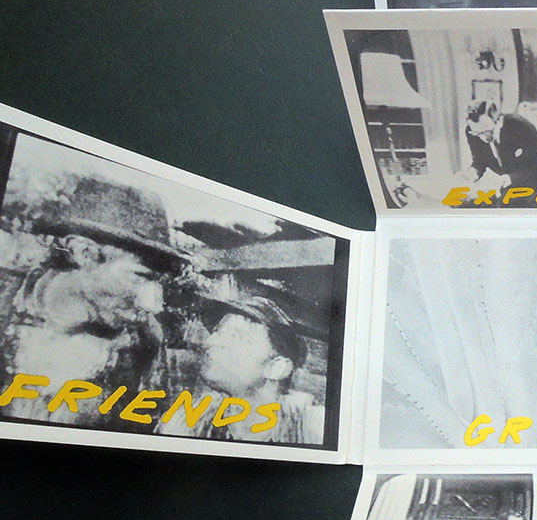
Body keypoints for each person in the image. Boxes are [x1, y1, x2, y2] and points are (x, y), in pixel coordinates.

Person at [0, 176, 186, 427]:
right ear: (83, 253)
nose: (152, 304)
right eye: (140, 277)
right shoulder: (5, 303)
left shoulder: (145, 340)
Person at [164, 293, 324, 445]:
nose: (210, 342)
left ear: (276, 368)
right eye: (217, 331)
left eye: (236, 336)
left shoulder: (309, 426)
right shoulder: (189, 420)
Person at [462, 99, 537, 195]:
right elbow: (479, 161)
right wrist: (472, 173)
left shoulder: (521, 127)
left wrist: (508, 179)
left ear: (499, 120)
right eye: (477, 133)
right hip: (505, 191)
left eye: (487, 132)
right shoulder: (472, 132)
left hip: (535, 189)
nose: (483, 138)